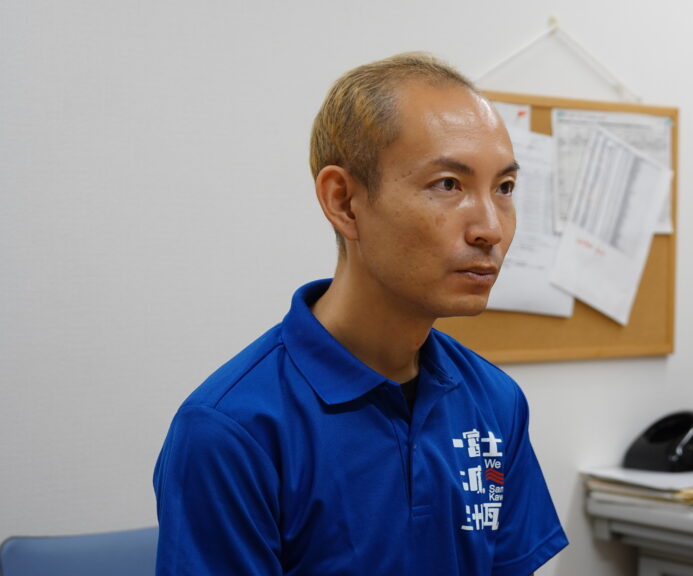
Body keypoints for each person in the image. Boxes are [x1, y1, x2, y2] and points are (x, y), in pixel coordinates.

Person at [153, 52, 568, 575]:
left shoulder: (494, 401)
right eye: (448, 184)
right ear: (344, 202)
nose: (490, 228)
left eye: (504, 188)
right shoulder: (232, 430)